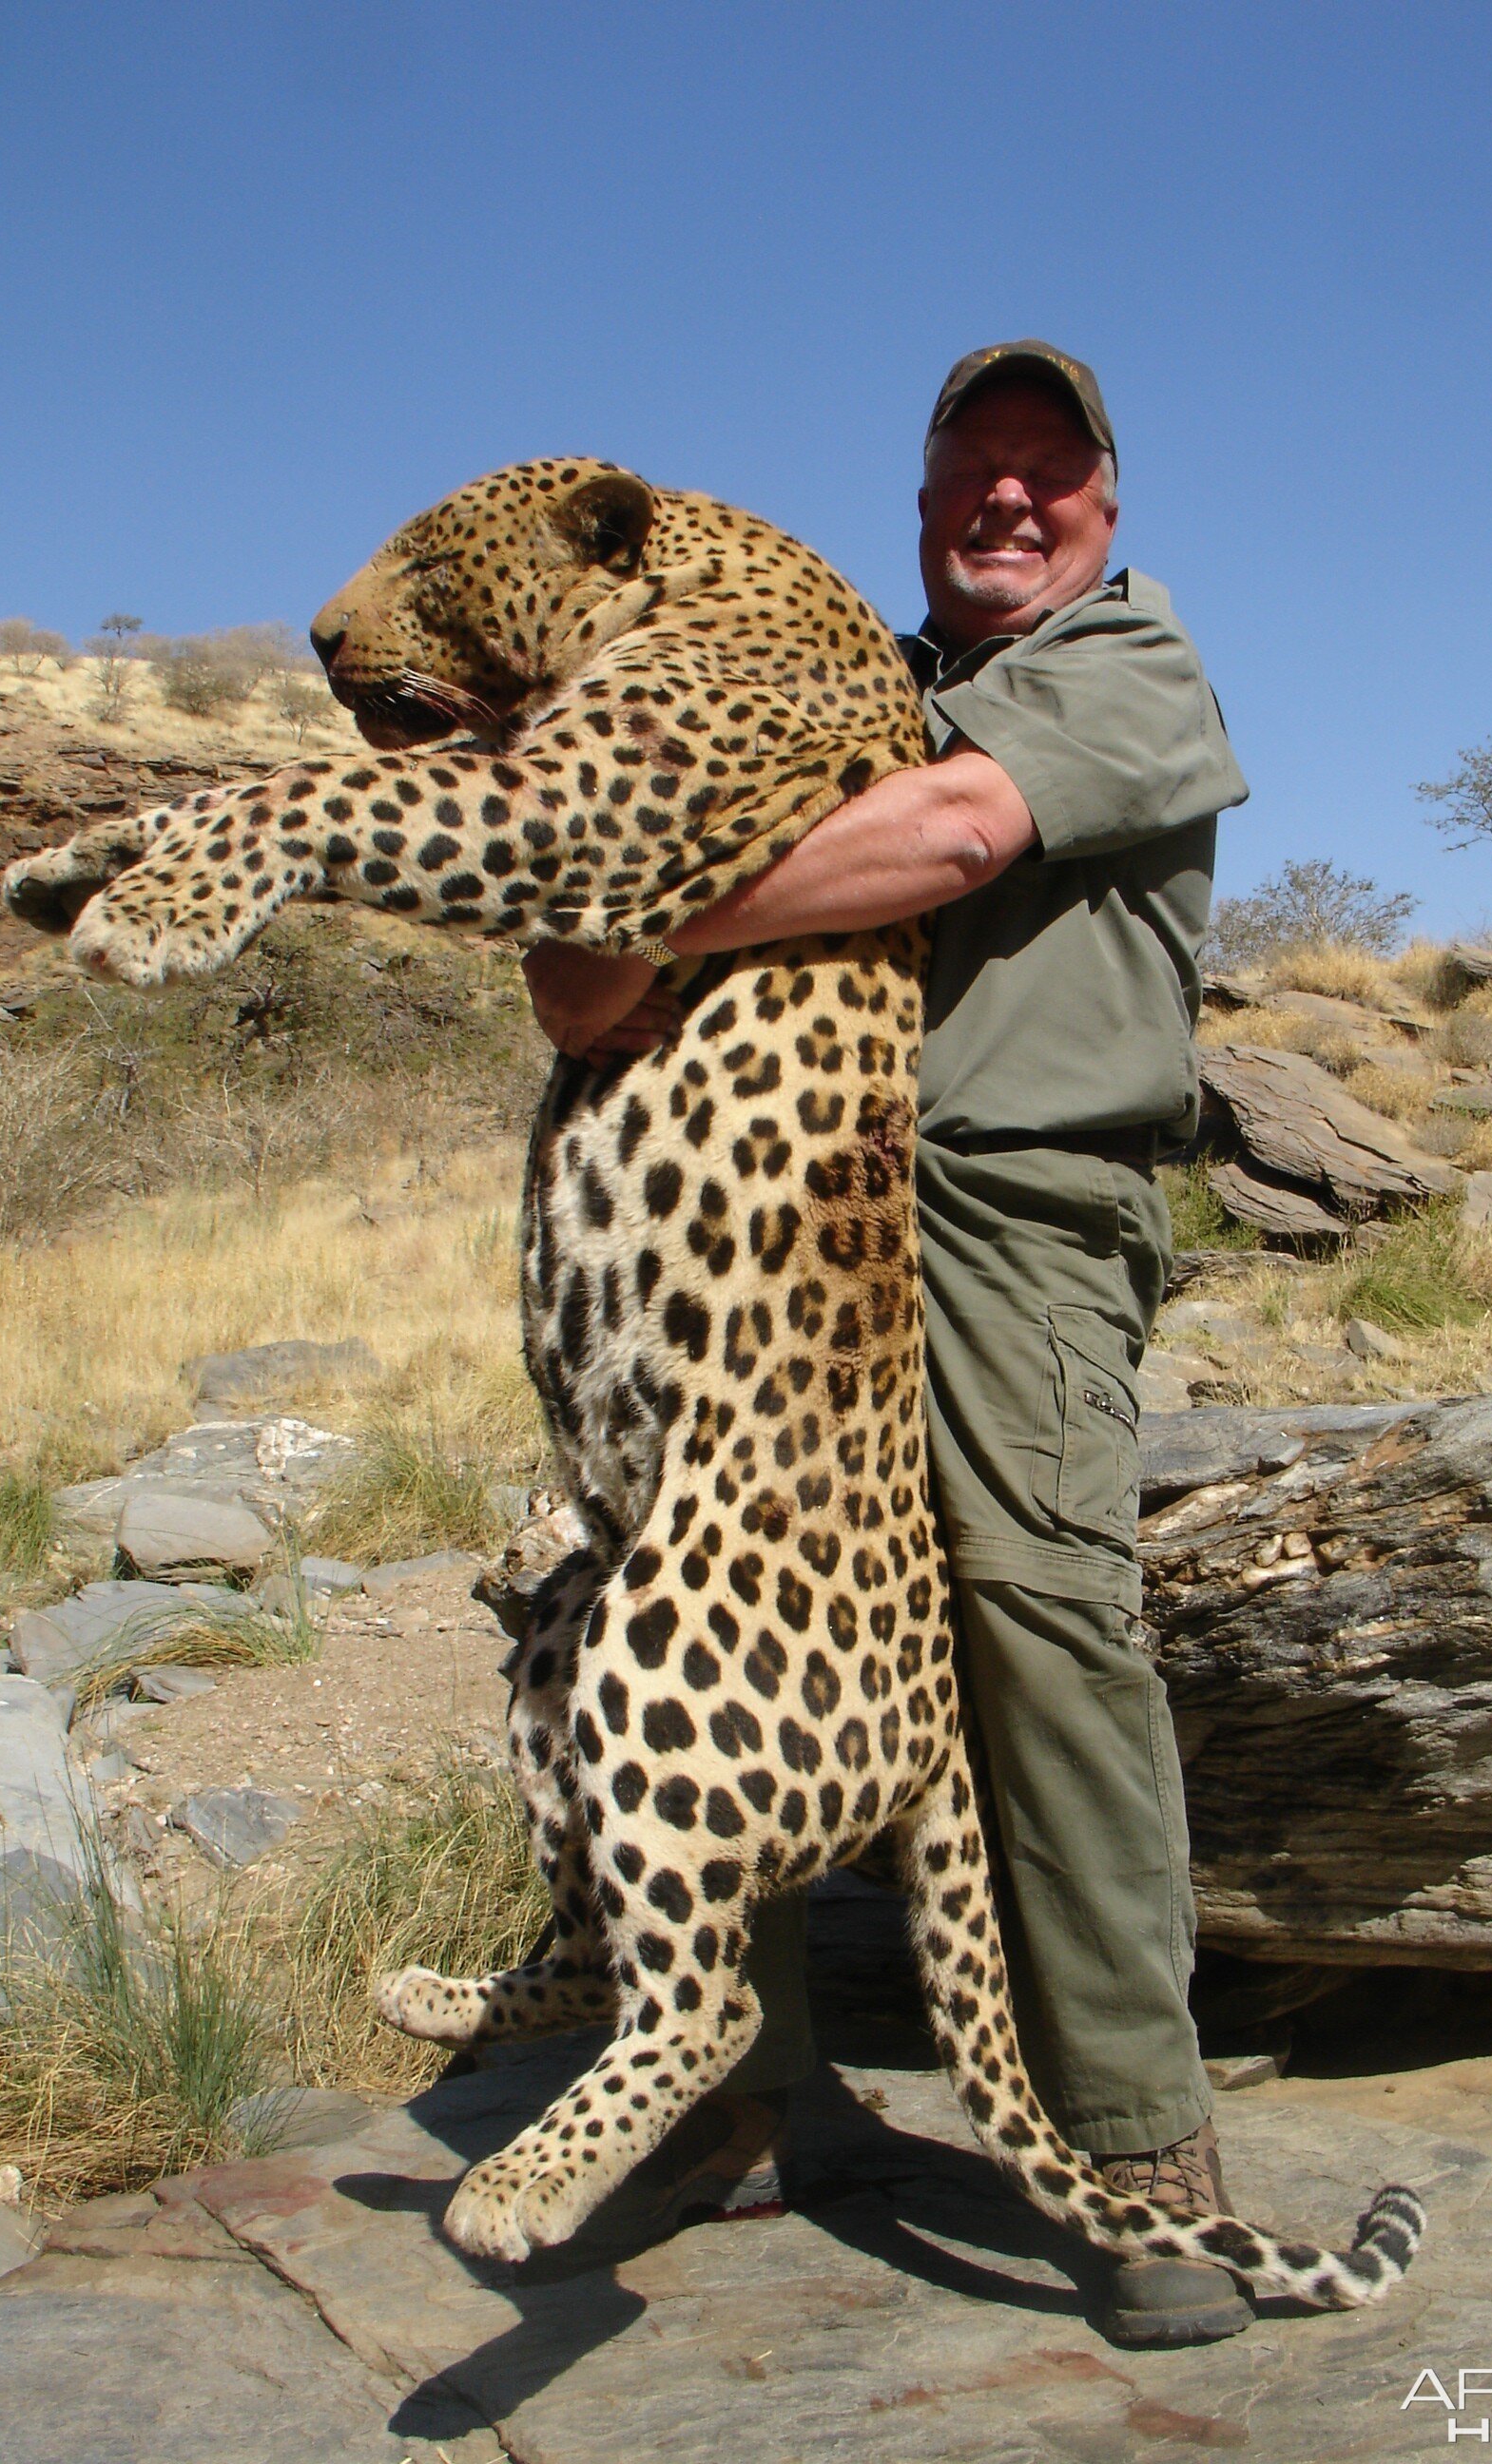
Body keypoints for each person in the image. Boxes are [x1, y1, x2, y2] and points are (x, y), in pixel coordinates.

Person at [520, 341, 1252, 2348]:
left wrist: (662, 919)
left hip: (1017, 1217)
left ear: (1111, 503)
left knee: (1043, 1621)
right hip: (778, 1206)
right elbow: (573, 979)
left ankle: (1137, 2144)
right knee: (701, 1585)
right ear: (924, 495)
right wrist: (614, 929)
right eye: (974, 470)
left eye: (1052, 472)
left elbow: (939, 843)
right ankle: (731, 2092)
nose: (1012, 501)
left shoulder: (1136, 667)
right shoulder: (833, 690)